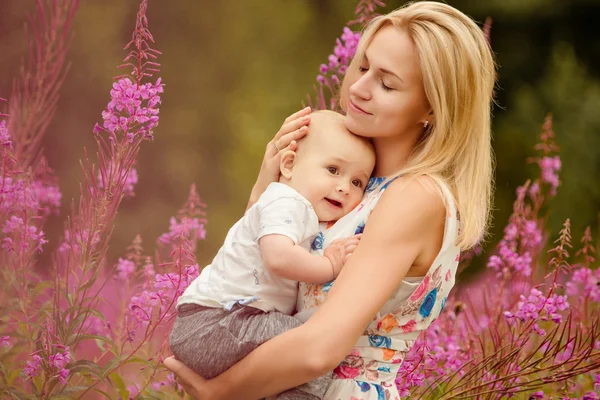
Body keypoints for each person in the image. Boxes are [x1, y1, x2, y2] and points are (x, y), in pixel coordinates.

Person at [164, 1, 495, 399]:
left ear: (432, 107)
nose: (358, 88)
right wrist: (266, 190)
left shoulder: (415, 196)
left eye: (387, 84)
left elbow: (320, 348)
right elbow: (262, 280)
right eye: (362, 66)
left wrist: (217, 393)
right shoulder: (358, 187)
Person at [169, 110, 376, 400]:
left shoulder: (293, 208)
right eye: (333, 170)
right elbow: (278, 258)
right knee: (312, 343)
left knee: (295, 355)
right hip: (214, 323)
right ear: (289, 164)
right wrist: (329, 265)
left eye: (357, 182)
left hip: (226, 322)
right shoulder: (286, 201)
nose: (344, 186)